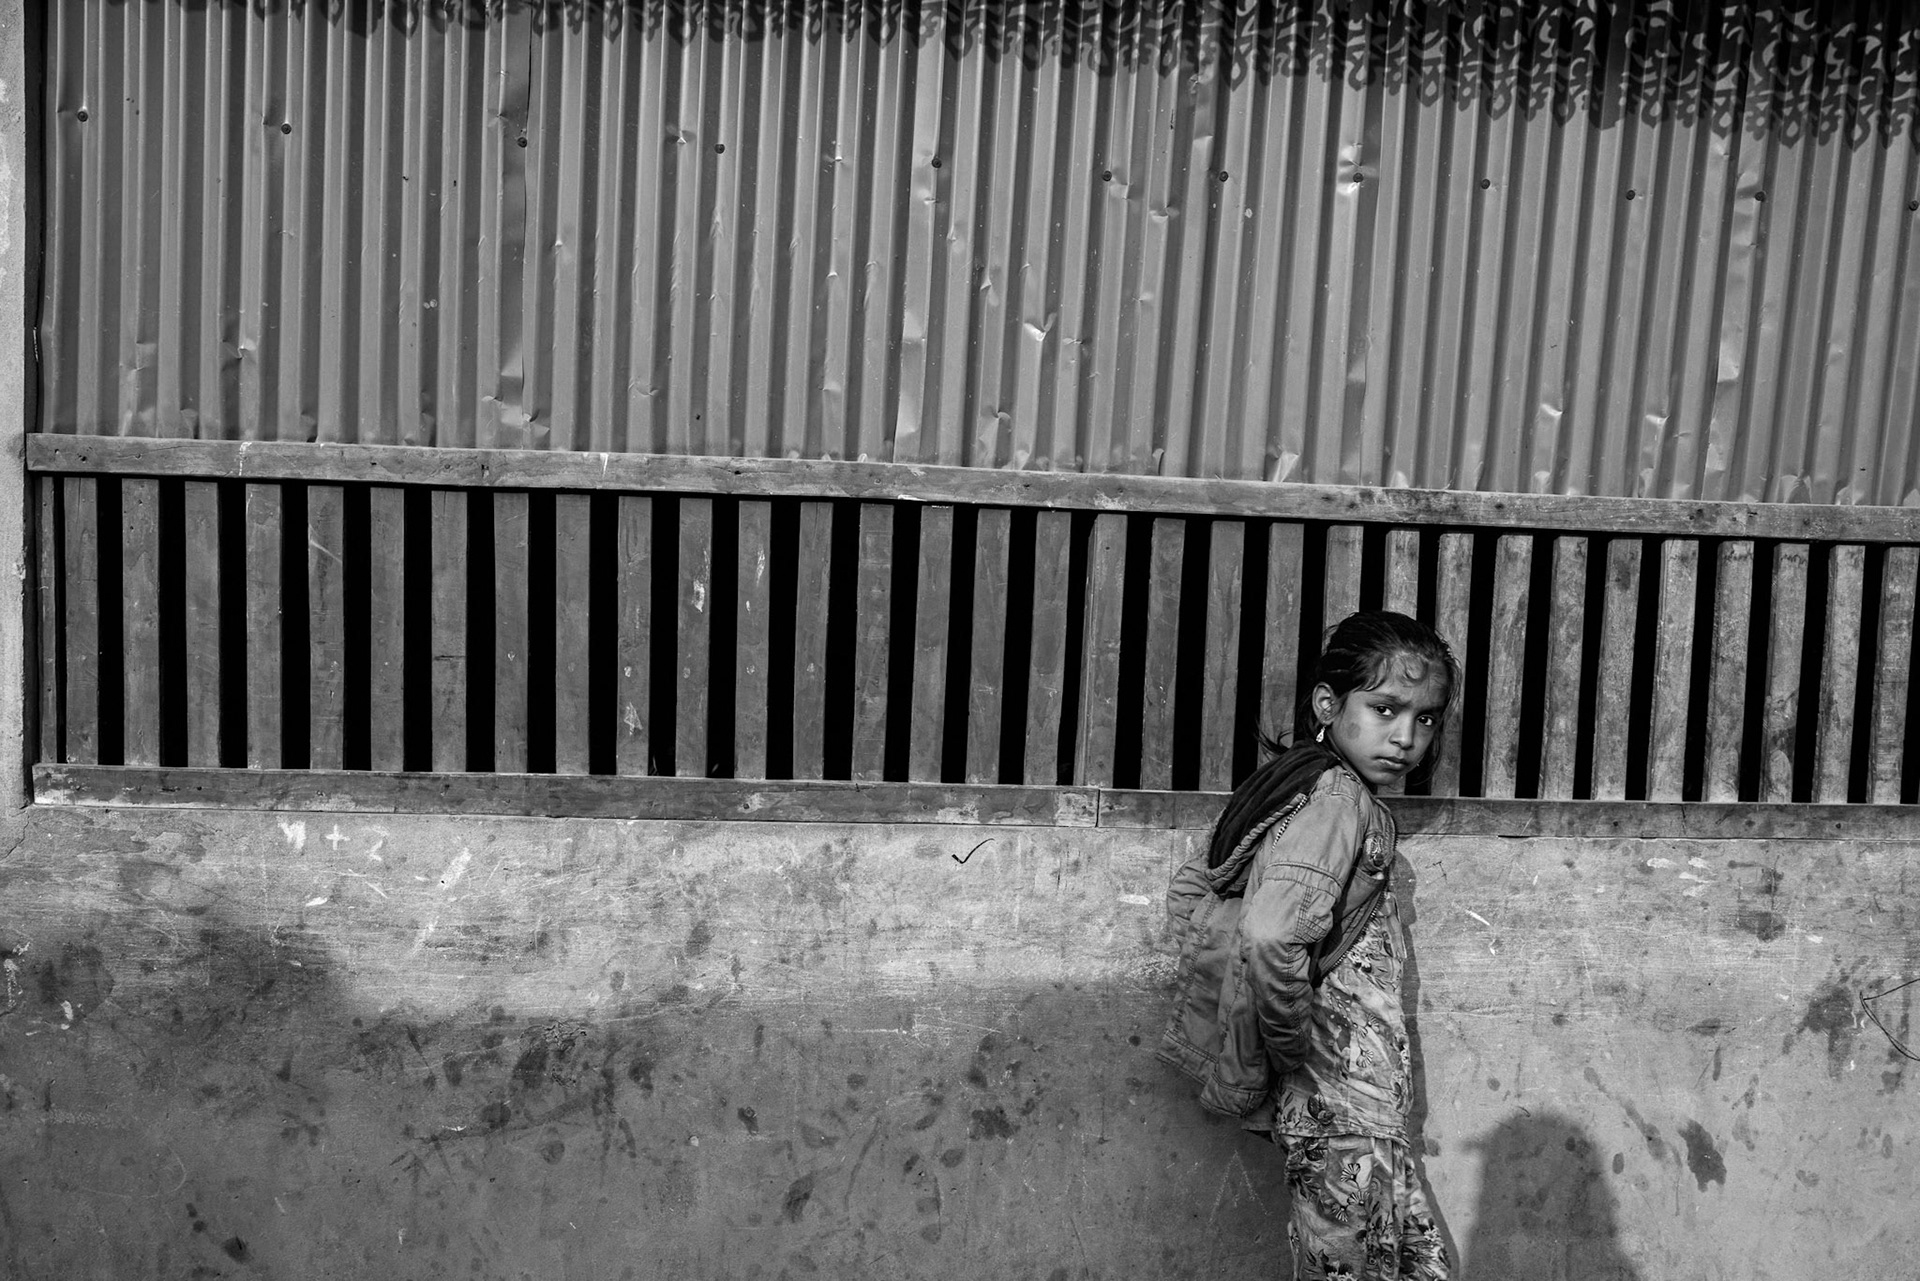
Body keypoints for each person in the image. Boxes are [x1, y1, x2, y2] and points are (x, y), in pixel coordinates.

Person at [1158, 610, 1457, 1280]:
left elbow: (1192, 896)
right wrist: (1289, 1043)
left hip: (1353, 1106)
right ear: (1328, 702)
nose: (1407, 736)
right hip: (1337, 1099)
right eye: (1385, 708)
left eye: (1427, 717)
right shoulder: (1335, 798)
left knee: (1409, 1264)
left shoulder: (1299, 785)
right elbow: (1268, 932)